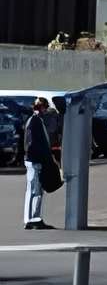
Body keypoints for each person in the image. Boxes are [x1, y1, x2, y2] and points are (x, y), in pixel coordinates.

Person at [23, 98, 53, 230]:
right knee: (35, 191)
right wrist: (42, 158)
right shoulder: (35, 121)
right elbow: (32, 143)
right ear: (41, 108)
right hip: (35, 161)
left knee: (35, 191)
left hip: (34, 160)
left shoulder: (36, 120)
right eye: (44, 108)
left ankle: (33, 217)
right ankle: (32, 218)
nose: (45, 110)